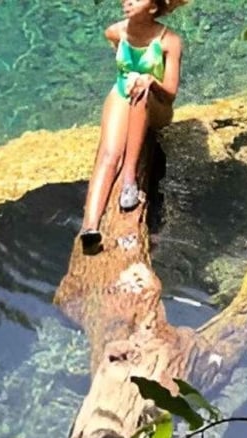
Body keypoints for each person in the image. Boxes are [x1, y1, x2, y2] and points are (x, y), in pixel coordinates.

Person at [78, 0, 184, 253]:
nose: (127, 1)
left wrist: (150, 80)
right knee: (108, 153)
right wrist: (133, 80)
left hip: (155, 103)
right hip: (123, 92)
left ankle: (129, 179)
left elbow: (170, 94)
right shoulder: (115, 32)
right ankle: (89, 227)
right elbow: (123, 71)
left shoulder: (170, 41)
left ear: (152, 7)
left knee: (142, 92)